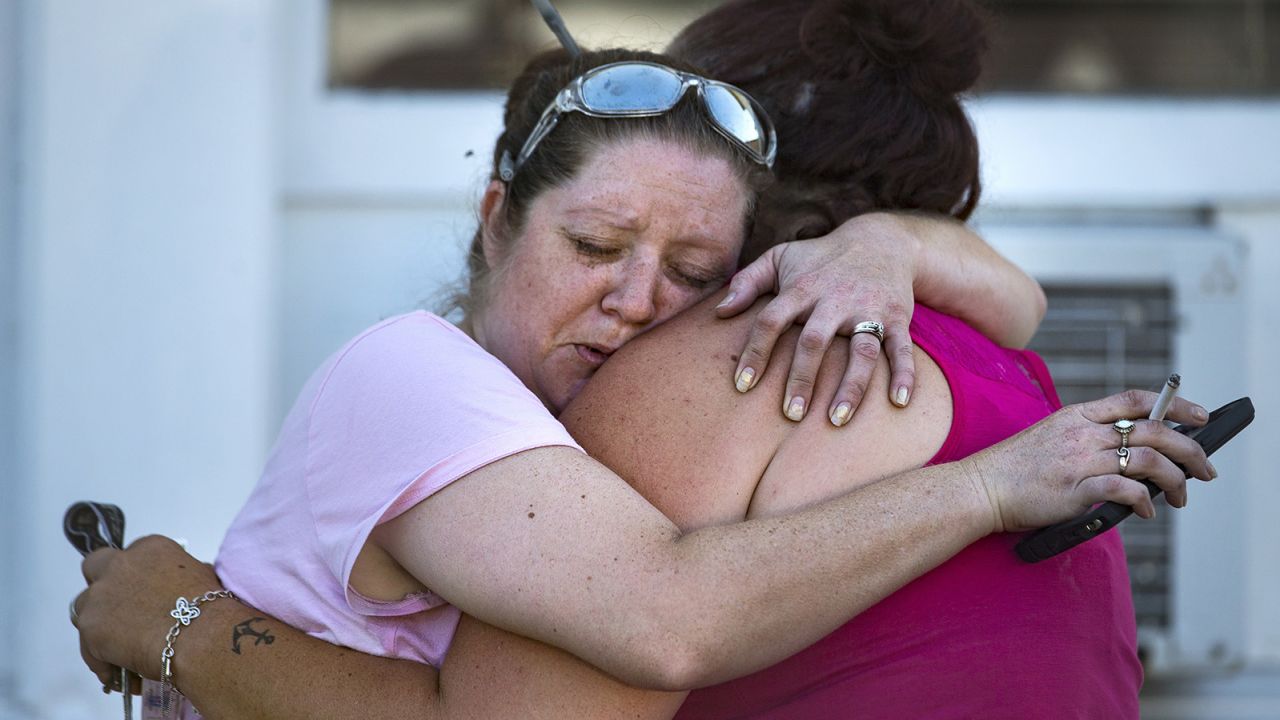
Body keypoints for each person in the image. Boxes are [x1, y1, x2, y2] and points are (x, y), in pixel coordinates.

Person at [73, 16, 1211, 720]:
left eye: (694, 269)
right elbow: (662, 615)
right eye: (594, 246)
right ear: (493, 223)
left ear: (762, 257)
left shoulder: (733, 354)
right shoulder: (410, 372)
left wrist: (884, 246)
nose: (636, 302)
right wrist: (982, 486)